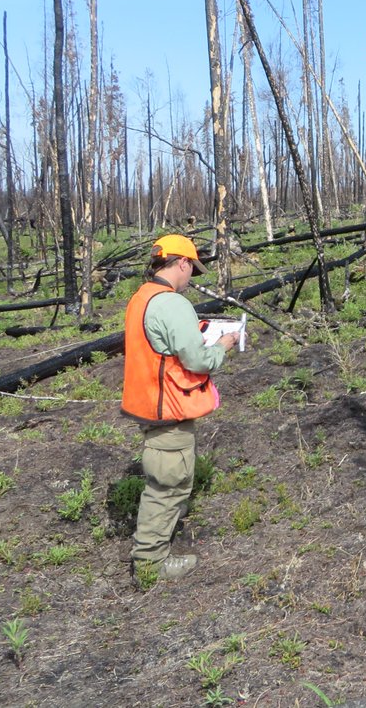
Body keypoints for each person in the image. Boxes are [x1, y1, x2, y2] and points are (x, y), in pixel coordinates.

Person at [122, 234, 238, 581]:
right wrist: (223, 346)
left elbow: (162, 347)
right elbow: (197, 359)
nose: (191, 279)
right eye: (192, 270)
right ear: (183, 263)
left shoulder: (143, 297)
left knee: (165, 482)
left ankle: (154, 553)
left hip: (150, 406)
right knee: (168, 486)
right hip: (168, 410)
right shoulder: (172, 304)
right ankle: (151, 566)